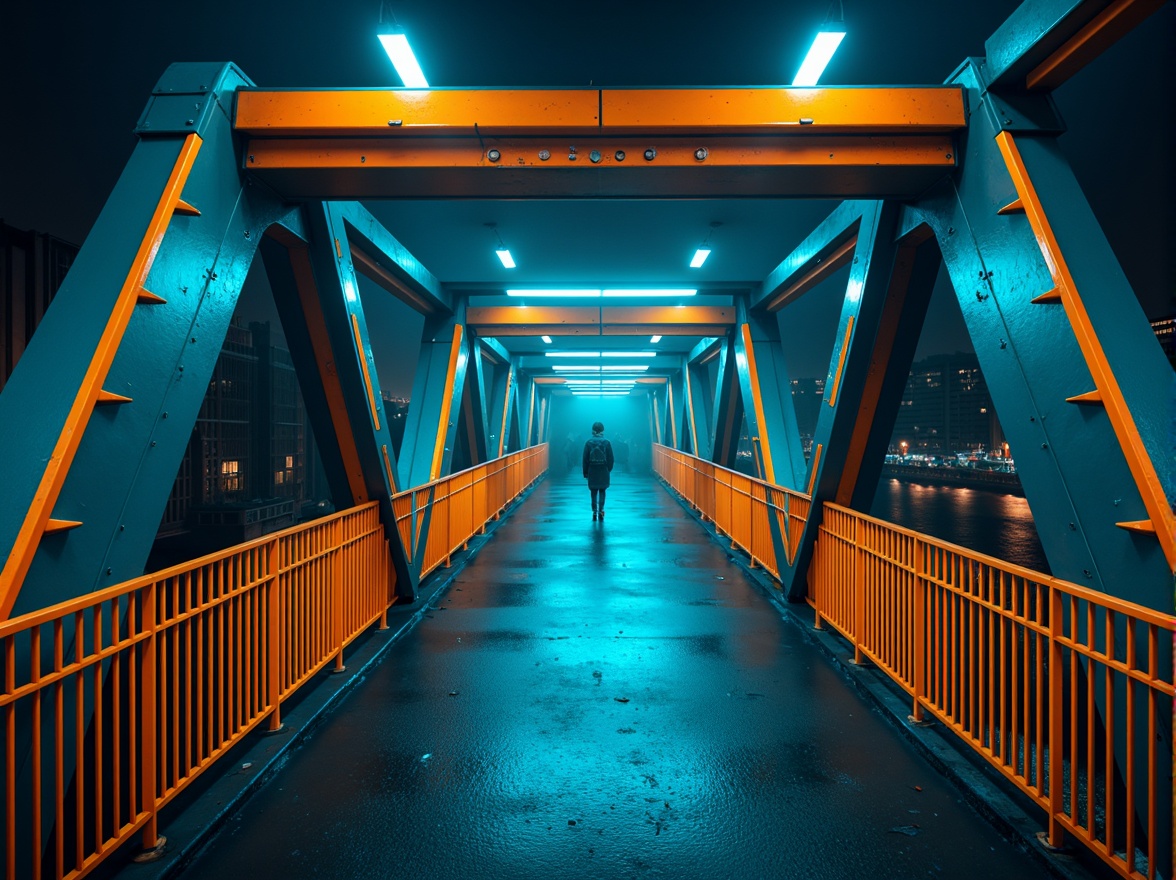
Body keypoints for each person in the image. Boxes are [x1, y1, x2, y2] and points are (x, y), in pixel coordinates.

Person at [581, 421, 614, 520]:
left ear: (593, 430)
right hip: (603, 469)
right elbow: (611, 458)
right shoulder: (607, 442)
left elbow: (585, 459)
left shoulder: (588, 443)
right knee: (602, 490)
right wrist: (609, 468)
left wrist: (585, 472)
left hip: (592, 469)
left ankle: (594, 511)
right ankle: (601, 510)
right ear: (603, 430)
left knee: (593, 491)